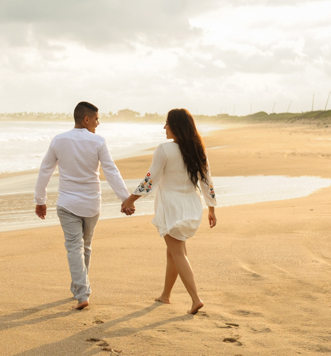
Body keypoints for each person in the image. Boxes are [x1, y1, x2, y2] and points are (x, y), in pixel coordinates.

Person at [34, 101, 133, 310]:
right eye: (96, 119)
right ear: (86, 119)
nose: (98, 123)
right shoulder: (97, 141)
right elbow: (111, 170)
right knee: (84, 247)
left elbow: (45, 170)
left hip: (67, 203)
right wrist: (124, 199)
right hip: (91, 203)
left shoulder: (59, 140)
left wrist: (40, 200)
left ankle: (81, 292)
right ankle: (81, 290)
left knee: (74, 248)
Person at [120, 108, 218, 314]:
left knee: (178, 253)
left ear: (176, 126)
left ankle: (195, 298)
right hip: (192, 204)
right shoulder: (198, 149)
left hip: (171, 205)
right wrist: (211, 208)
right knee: (173, 252)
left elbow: (150, 179)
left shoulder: (165, 149)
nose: (164, 127)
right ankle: (166, 295)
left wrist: (130, 199)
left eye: (167, 123)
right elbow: (207, 181)